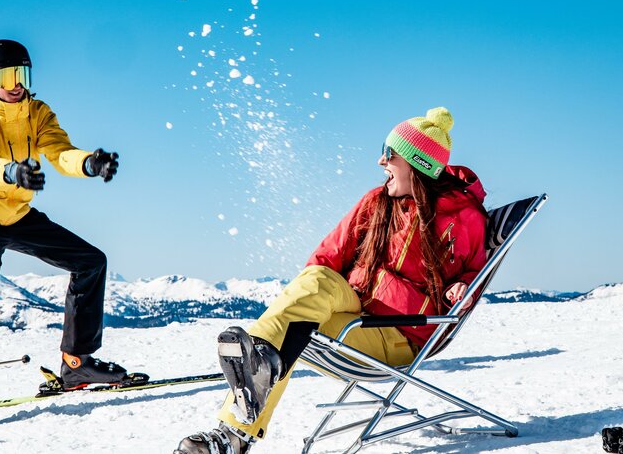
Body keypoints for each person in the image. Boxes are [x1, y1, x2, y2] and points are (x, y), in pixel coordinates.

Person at [175, 106, 489, 453]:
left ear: (417, 162)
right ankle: (257, 366)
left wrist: (464, 289)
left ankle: (234, 436)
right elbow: (325, 260)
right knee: (306, 298)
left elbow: (473, 273)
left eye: (389, 154)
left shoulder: (464, 219)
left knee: (293, 332)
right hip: (355, 306)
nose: (380, 162)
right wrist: (310, 293)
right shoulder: (376, 202)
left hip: (401, 332)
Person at [0, 39, 125, 430]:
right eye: (8, 76)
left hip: (15, 212)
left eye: (24, 75)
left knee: (90, 262)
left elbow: (59, 150)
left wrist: (89, 163)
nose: (17, 84)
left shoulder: (37, 111)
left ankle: (77, 364)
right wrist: (12, 172)